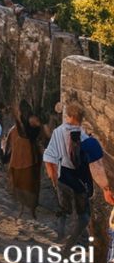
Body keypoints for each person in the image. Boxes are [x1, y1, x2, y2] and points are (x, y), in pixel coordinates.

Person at [43, 102, 114, 252]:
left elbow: (49, 158)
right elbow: (97, 169)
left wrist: (54, 180)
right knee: (83, 218)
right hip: (80, 183)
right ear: (82, 119)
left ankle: (61, 235)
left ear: (68, 116)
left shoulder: (58, 132)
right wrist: (106, 189)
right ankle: (69, 247)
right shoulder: (88, 140)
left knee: (65, 210)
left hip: (63, 179)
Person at [5, 100, 43, 219]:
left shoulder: (23, 128)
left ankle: (28, 210)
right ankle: (29, 210)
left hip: (27, 161)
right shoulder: (16, 130)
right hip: (25, 161)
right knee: (27, 186)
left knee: (26, 186)